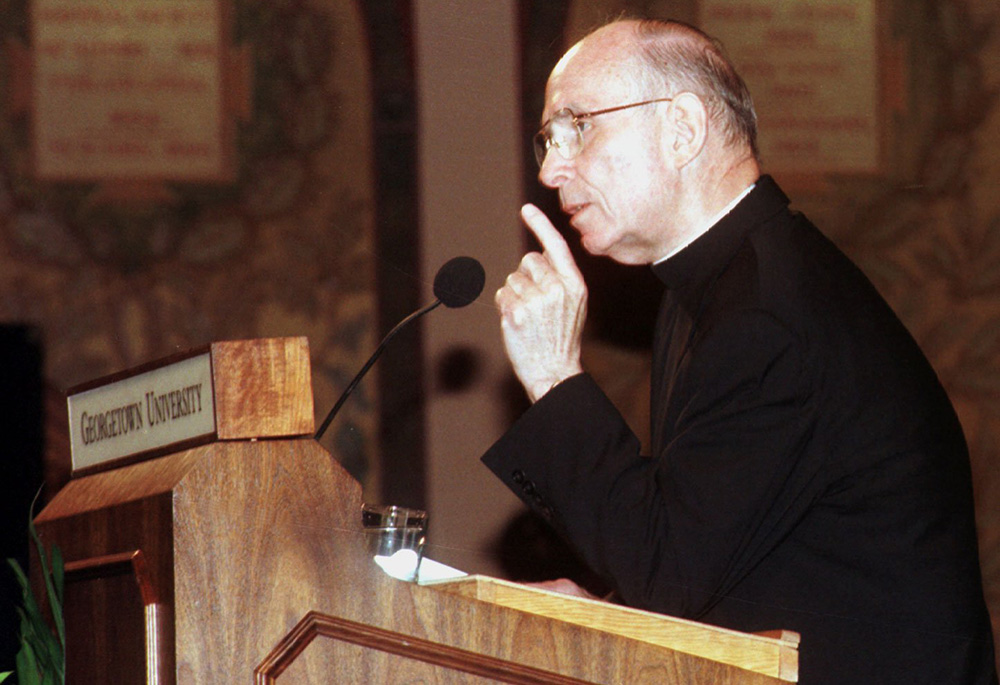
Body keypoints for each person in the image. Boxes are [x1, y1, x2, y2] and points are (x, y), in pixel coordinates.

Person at [481, 18, 997, 684]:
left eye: (578, 126)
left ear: (683, 129)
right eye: (548, 139)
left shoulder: (768, 314)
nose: (552, 169)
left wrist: (554, 375)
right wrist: (603, 611)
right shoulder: (725, 287)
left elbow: (669, 573)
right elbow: (720, 540)